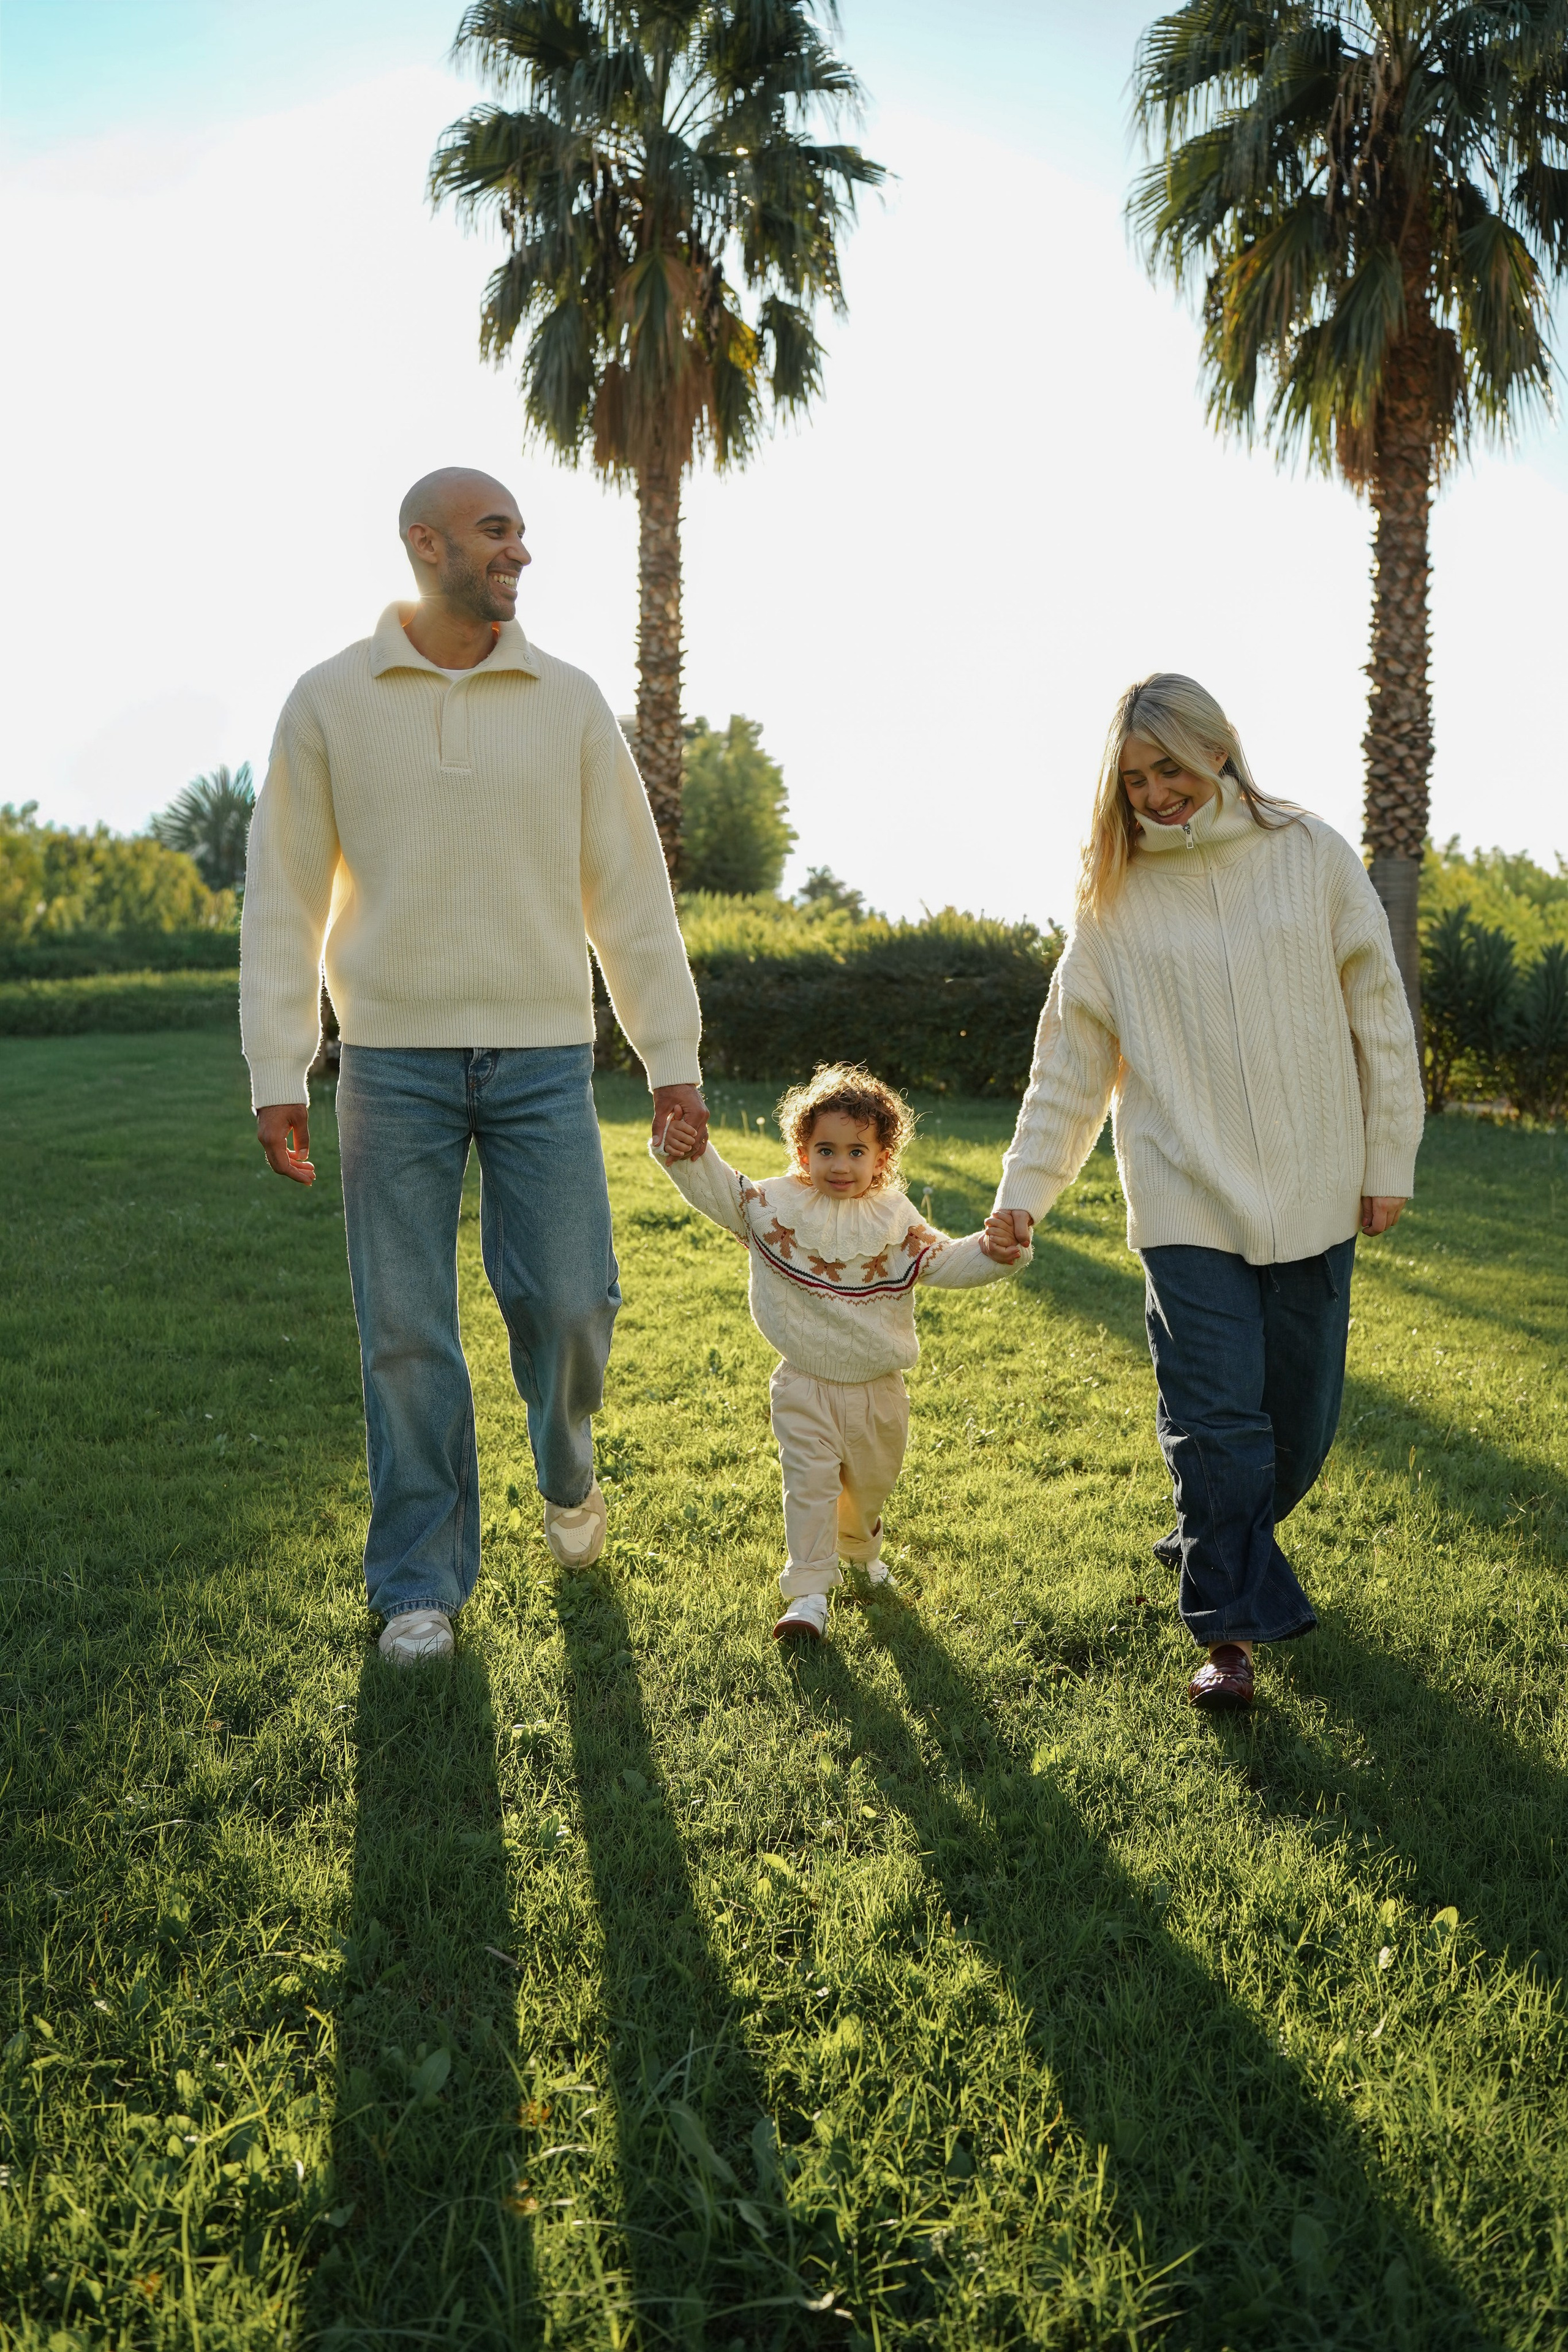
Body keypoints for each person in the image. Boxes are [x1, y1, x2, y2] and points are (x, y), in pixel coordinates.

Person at [240, 467, 706, 1665]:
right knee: (404, 1332)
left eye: (521, 533)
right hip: (388, 1064)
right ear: (426, 543)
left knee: (572, 1300)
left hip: (543, 1057)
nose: (521, 552)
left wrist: (670, 1054)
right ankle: (418, 1584)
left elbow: (631, 892)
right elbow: (284, 897)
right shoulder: (330, 701)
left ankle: (566, 1468)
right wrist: (280, 1066)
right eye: (497, 531)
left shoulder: (570, 701)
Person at [984, 674, 1423, 1711]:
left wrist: (1387, 1158)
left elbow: (1379, 1010)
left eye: (1169, 768)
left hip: (1316, 1187)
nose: (1154, 794)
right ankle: (1228, 1636)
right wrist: (1024, 1192)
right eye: (1134, 779)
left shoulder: (1311, 853)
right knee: (1216, 1421)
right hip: (1182, 1198)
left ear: (1218, 749)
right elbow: (1069, 1065)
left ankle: (1210, 1536)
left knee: (1296, 1427)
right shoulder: (1113, 898)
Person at [655, 1064, 1031, 1642]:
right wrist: (685, 1150)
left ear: (882, 1158)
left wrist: (996, 1251)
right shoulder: (773, 1206)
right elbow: (718, 1189)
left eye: (857, 1152)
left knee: (870, 1485)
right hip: (804, 1383)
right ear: (802, 1152)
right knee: (809, 1485)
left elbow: (947, 1261)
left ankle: (859, 1546)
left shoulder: (895, 1218)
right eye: (825, 1150)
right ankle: (808, 1594)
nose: (840, 1165)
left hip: (879, 1389)